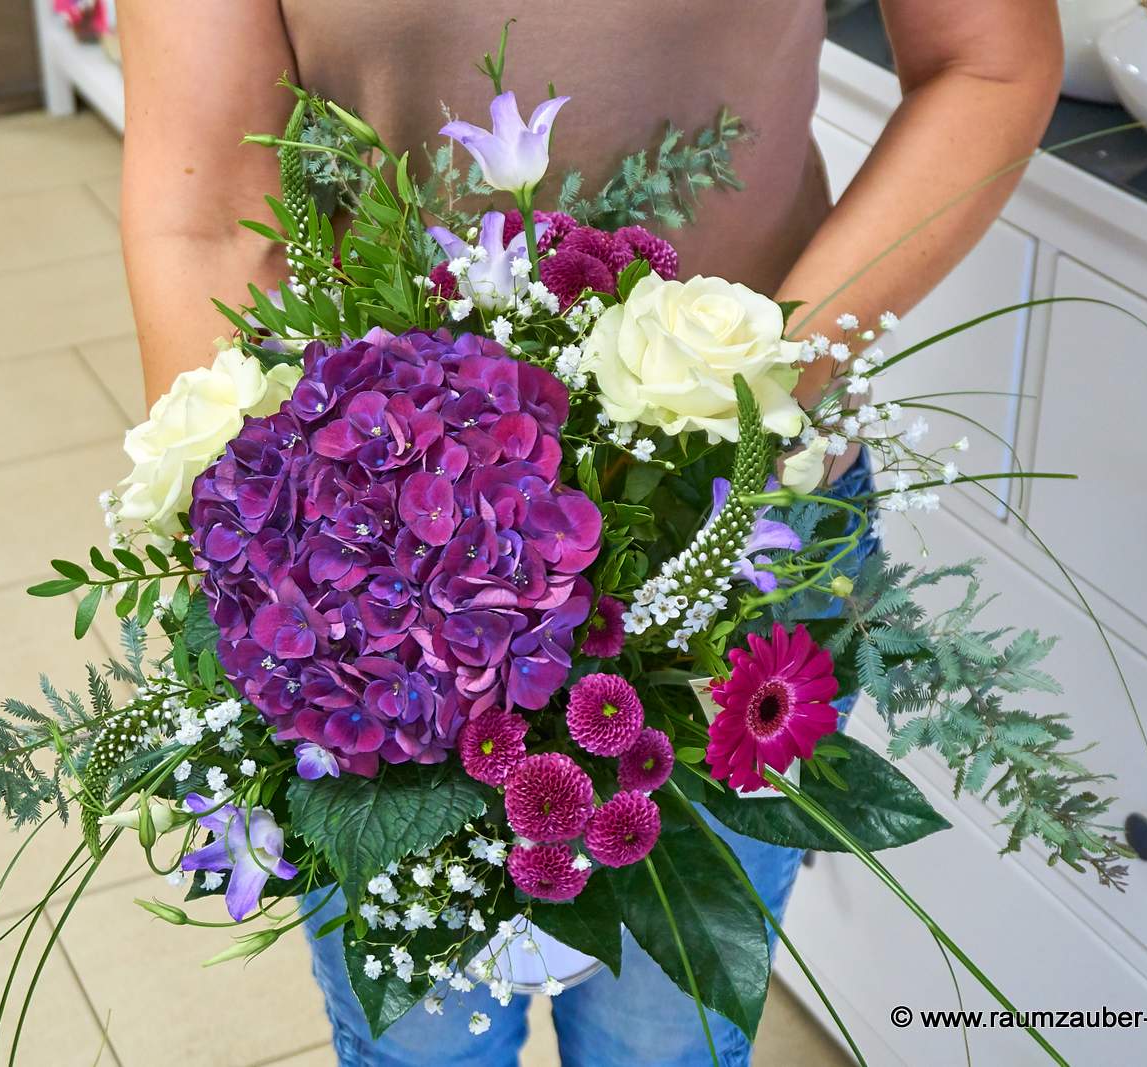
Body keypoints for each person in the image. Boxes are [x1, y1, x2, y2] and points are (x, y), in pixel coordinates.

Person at [116, 3, 1063, 1063]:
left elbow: (985, 61)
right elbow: (202, 208)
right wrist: (276, 552)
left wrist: (742, 393)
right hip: (368, 567)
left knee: (670, 1039)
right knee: (420, 1045)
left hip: (736, 531)